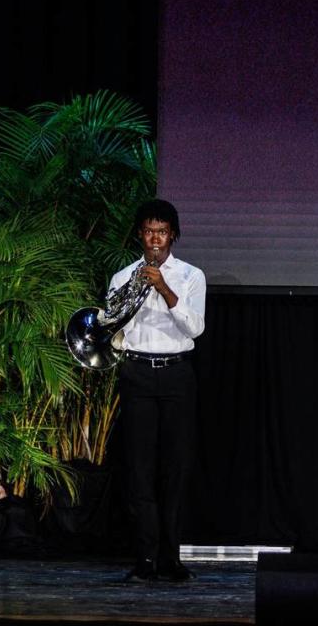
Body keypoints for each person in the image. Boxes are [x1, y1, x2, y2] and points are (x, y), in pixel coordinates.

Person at [111, 199, 206, 582]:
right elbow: (113, 332)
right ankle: (146, 559)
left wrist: (163, 288)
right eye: (149, 231)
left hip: (177, 376)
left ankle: (171, 557)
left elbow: (194, 329)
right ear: (140, 235)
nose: (156, 239)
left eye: (163, 232)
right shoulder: (122, 277)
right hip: (137, 374)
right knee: (139, 471)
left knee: (176, 470)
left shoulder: (190, 277)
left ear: (174, 236)